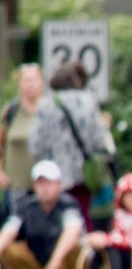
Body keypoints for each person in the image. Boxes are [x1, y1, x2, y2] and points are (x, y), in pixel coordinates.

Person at [29, 61, 111, 232]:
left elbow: (35, 145)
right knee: (85, 214)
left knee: (60, 218)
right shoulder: (87, 101)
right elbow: (99, 139)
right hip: (85, 173)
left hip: (54, 175)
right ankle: (85, 254)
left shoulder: (46, 105)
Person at [0, 160, 84, 269]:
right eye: (40, 183)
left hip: (62, 263)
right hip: (38, 261)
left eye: (49, 182)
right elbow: (9, 230)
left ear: (59, 184)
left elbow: (72, 232)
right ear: (34, 186)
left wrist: (53, 264)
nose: (45, 188)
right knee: (9, 250)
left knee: (72, 245)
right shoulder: (25, 207)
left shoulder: (68, 204)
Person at [84, 172, 132, 269]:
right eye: (128, 196)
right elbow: (117, 236)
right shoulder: (118, 216)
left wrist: (107, 239)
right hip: (120, 256)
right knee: (109, 247)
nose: (131, 200)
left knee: (108, 242)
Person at [0, 64, 45, 220]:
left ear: (42, 82)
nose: (30, 84)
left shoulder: (49, 109)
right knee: (15, 227)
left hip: (44, 184)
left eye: (34, 80)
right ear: (20, 84)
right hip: (16, 184)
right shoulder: (11, 110)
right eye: (26, 80)